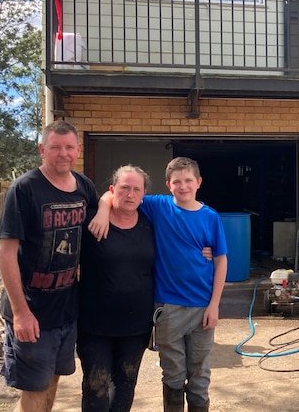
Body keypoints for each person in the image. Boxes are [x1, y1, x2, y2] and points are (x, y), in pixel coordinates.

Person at [90, 156, 227, 412]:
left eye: (188, 181)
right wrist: (101, 210)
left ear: (198, 182)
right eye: (177, 182)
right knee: (173, 373)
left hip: (202, 308)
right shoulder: (159, 206)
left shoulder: (211, 217)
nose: (183, 186)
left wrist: (215, 305)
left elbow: (221, 260)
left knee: (200, 374)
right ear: (168, 185)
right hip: (168, 308)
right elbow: (115, 195)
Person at [0, 120, 98, 412]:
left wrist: (103, 208)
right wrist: (20, 313)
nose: (63, 153)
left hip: (66, 309)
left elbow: (104, 208)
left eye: (69, 147)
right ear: (42, 150)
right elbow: (6, 253)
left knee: (53, 380)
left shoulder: (84, 186)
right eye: (55, 147)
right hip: (32, 311)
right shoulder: (24, 189)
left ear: (78, 150)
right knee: (34, 388)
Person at [78, 165, 155, 412]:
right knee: (96, 387)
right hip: (94, 326)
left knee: (125, 386)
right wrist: (102, 208)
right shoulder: (91, 223)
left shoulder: (151, 224)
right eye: (124, 188)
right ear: (112, 190)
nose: (130, 194)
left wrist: (206, 252)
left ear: (144, 194)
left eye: (136, 189)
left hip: (136, 327)